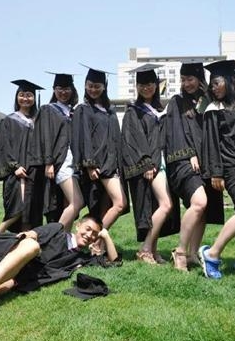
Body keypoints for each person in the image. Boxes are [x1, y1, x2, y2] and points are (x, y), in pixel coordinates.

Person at [197, 60, 235, 280]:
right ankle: (212, 254)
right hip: (231, 167)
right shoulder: (214, 109)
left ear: (231, 81)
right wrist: (216, 172)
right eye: (212, 84)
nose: (213, 88)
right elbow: (210, 142)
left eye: (217, 83)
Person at [165, 62, 224, 272]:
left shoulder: (208, 101)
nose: (186, 83)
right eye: (183, 79)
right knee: (199, 202)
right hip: (183, 160)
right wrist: (189, 153)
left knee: (204, 210)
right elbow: (173, 132)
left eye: (190, 79)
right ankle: (180, 251)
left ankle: (193, 253)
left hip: (206, 161)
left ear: (200, 78)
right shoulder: (176, 102)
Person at [121, 64, 178, 265]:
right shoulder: (133, 111)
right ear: (137, 87)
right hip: (152, 164)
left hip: (163, 161)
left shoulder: (160, 109)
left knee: (158, 205)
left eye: (150, 84)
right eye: (142, 84)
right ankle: (145, 248)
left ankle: (153, 250)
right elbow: (134, 139)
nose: (147, 87)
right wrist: (146, 163)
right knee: (166, 204)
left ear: (156, 85)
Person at [72, 66, 127, 233]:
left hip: (111, 164)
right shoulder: (83, 109)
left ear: (104, 87)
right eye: (90, 85)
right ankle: (96, 239)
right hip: (98, 165)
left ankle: (97, 246)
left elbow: (115, 137)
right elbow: (83, 137)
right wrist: (89, 164)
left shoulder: (109, 111)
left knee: (105, 207)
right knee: (120, 203)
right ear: (85, 86)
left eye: (97, 86)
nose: (93, 89)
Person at [0, 80, 45, 234]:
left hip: (36, 170)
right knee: (20, 205)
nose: (25, 98)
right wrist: (14, 166)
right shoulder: (9, 120)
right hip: (18, 170)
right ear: (17, 98)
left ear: (34, 98)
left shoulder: (39, 120)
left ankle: (24, 237)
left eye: (29, 95)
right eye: (22, 95)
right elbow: (3, 146)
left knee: (32, 207)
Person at [38, 72, 84, 231]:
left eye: (67, 89)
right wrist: (48, 162)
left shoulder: (73, 111)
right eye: (59, 89)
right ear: (54, 90)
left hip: (75, 163)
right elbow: (46, 136)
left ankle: (66, 240)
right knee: (77, 202)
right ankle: (54, 238)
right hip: (60, 162)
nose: (63, 92)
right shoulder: (48, 110)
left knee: (68, 204)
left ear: (72, 90)